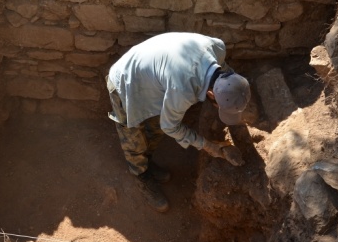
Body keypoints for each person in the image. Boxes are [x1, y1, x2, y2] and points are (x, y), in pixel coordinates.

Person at [106, 32, 251, 212]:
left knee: (156, 128)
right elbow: (171, 126)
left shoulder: (217, 48)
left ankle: (147, 162)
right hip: (125, 82)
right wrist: (209, 146)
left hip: (151, 76)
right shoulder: (183, 89)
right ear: (212, 94)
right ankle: (141, 174)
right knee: (133, 137)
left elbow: (165, 124)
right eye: (217, 105)